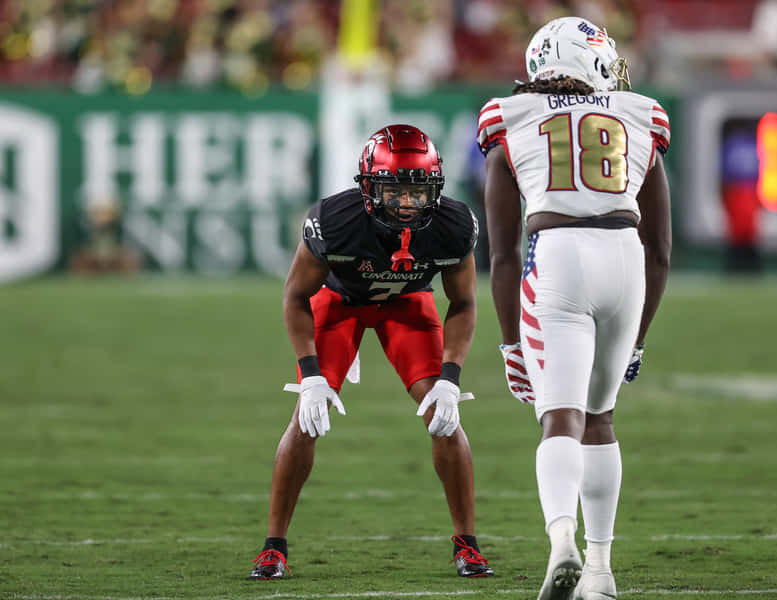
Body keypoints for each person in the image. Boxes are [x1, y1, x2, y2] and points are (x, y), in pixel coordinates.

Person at [477, 17, 671, 600]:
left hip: (557, 256)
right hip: (626, 259)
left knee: (558, 417)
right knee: (601, 419)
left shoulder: (507, 117)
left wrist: (511, 343)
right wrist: (639, 336)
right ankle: (602, 572)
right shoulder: (642, 113)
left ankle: (563, 541)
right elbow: (660, 250)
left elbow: (503, 254)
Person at [249, 124, 494, 580]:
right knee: (305, 418)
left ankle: (467, 544)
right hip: (339, 304)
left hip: (407, 304)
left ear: (435, 189)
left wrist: (450, 378)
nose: (406, 203)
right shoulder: (335, 221)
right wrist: (311, 376)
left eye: (417, 193)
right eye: (394, 191)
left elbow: (463, 303)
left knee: (444, 415)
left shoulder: (454, 225)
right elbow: (295, 296)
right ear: (368, 187)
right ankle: (274, 546)